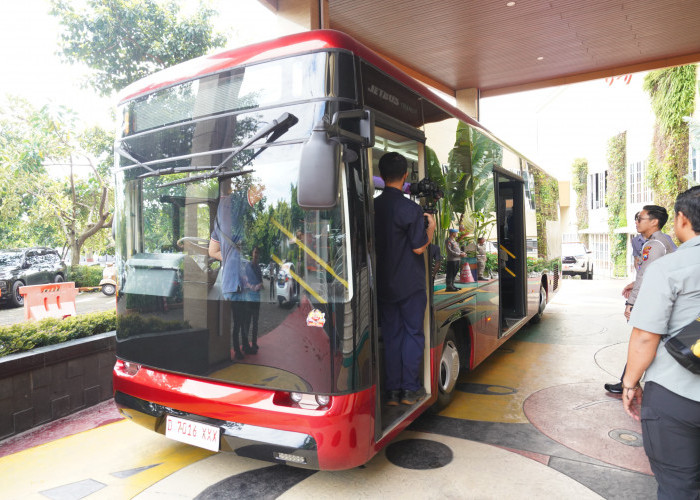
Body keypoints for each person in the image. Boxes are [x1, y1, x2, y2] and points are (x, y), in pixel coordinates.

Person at [622, 186, 700, 499]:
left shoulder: (669, 267)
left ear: (682, 219)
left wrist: (630, 382)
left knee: (678, 486)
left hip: (676, 394)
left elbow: (644, 336)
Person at [374, 152, 436, 406]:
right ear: (406, 176)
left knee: (391, 335)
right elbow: (419, 248)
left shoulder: (373, 207)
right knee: (412, 334)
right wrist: (430, 228)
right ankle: (409, 390)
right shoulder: (411, 209)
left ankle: (390, 392)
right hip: (410, 285)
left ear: (381, 174)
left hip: (383, 283)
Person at [605, 205, 676, 394]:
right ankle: (628, 381)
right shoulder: (664, 241)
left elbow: (646, 275)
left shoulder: (654, 245)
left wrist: (631, 303)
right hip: (664, 300)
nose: (636, 222)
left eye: (640, 218)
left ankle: (630, 383)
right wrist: (633, 283)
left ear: (654, 222)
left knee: (643, 342)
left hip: (656, 302)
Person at [209, 182, 263, 361]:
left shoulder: (220, 214)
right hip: (240, 284)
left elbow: (212, 251)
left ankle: (243, 347)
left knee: (240, 321)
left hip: (231, 283)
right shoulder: (237, 203)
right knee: (241, 321)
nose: (260, 195)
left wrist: (232, 259)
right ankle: (240, 349)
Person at [242, 246, 263, 354]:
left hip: (256, 299)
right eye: (255, 252)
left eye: (257, 253)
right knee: (247, 322)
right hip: (249, 299)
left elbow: (261, 282)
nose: (256, 254)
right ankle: (245, 345)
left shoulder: (259, 268)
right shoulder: (248, 266)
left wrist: (259, 286)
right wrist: (251, 286)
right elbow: (244, 280)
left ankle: (254, 343)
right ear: (252, 253)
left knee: (255, 323)